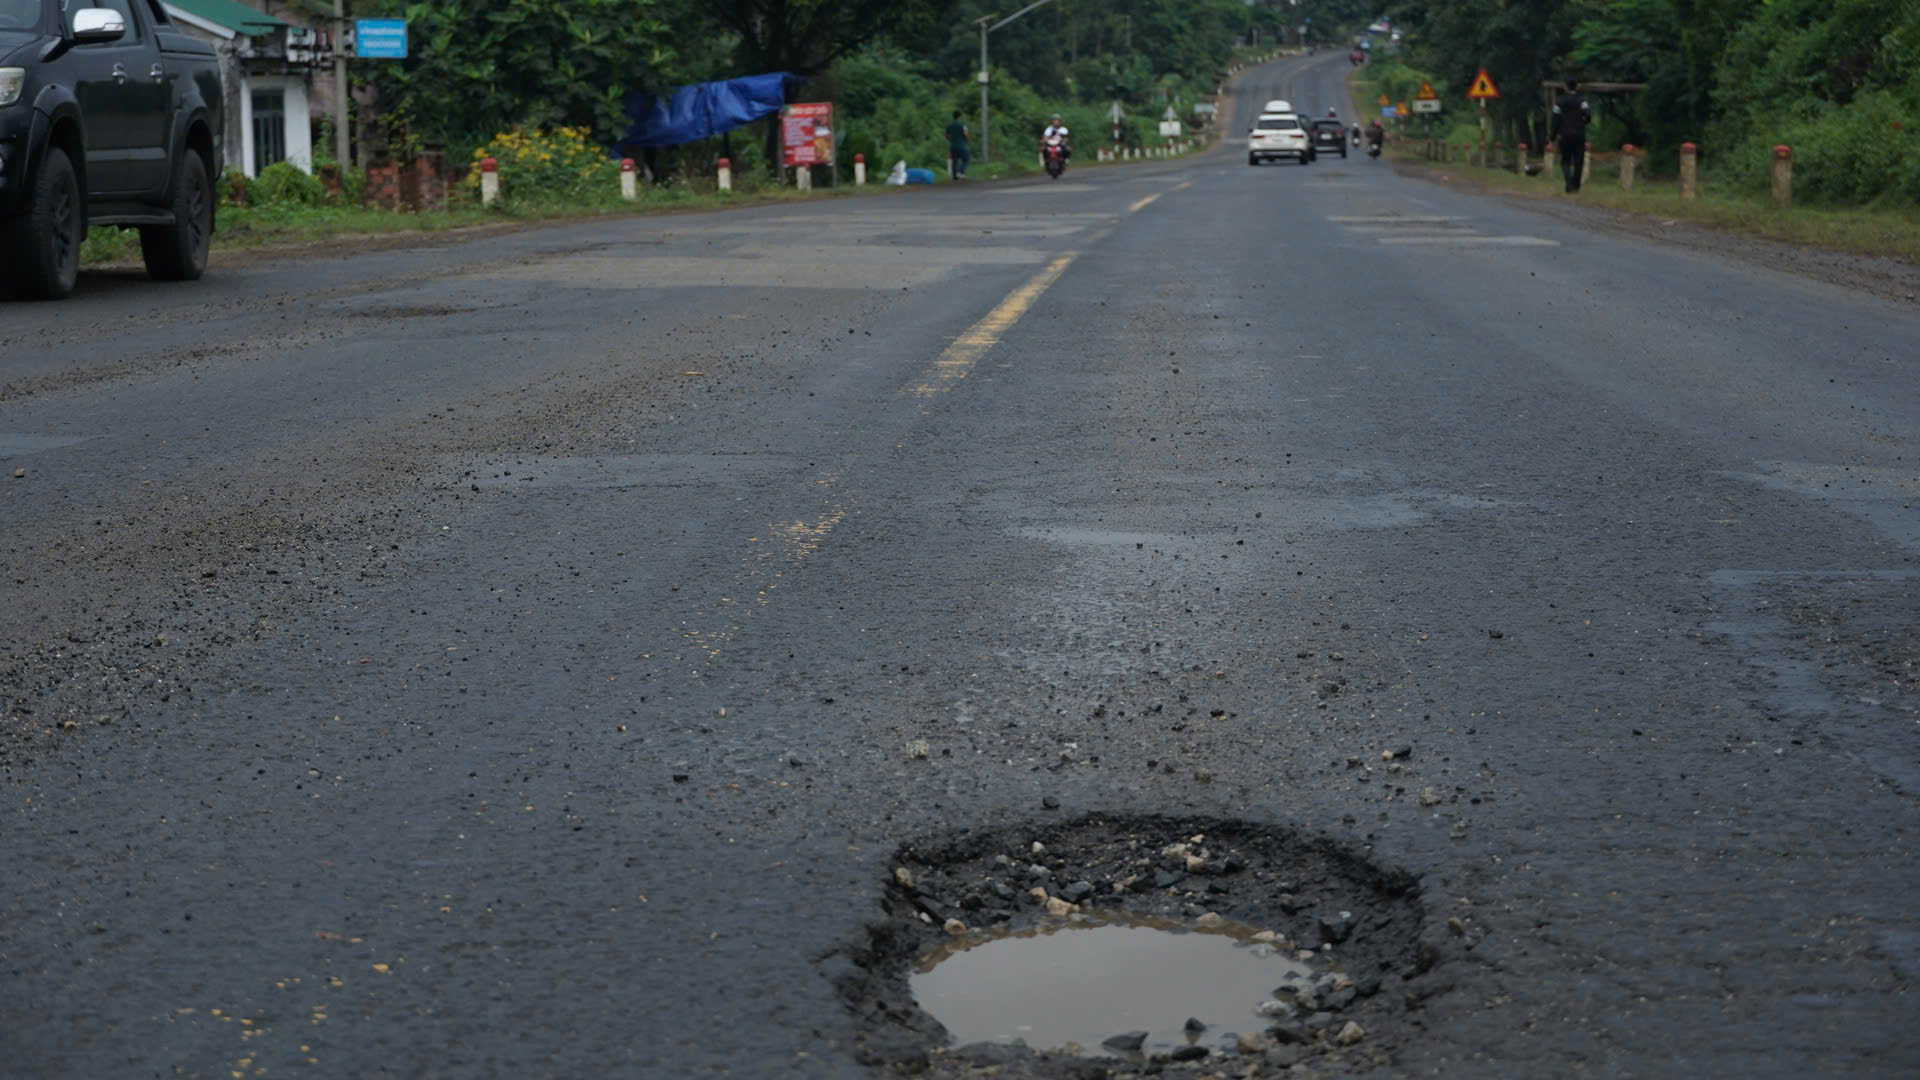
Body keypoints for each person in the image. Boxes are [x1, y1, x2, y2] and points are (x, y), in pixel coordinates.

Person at [1550, 78, 1591, 193]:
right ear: (1576, 87)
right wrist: (1583, 122)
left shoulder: (1559, 101)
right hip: (1579, 134)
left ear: (1565, 87)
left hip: (1565, 135)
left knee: (1565, 161)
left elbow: (1555, 119)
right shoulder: (1582, 100)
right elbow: (1588, 115)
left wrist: (1552, 137)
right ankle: (1576, 185)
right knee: (1579, 161)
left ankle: (1569, 184)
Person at [945, 110, 970, 179]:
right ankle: (961, 172)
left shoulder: (949, 125)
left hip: (952, 145)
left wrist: (951, 140)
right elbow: (966, 134)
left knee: (954, 160)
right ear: (960, 116)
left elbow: (946, 135)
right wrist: (967, 140)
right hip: (961, 145)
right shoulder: (963, 125)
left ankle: (954, 175)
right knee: (966, 158)